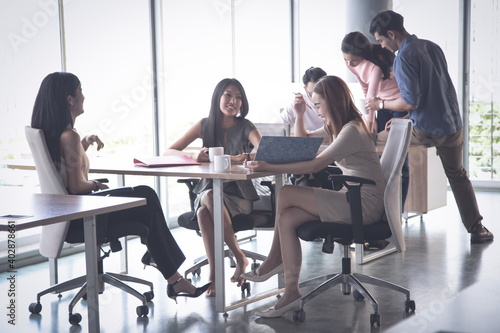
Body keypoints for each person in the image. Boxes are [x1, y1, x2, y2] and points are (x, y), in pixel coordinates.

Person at [31, 72, 210, 302]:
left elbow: (63, 176)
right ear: (69, 99)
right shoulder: (69, 136)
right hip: (81, 216)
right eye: (80, 91)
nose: (84, 96)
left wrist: (82, 146)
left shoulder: (55, 135)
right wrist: (95, 184)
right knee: (147, 195)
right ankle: (165, 267)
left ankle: (171, 274)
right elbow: (76, 187)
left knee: (146, 206)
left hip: (67, 216)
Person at [241, 75, 386, 318]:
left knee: (286, 192)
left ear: (332, 101)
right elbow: (304, 142)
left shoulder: (351, 130)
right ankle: (291, 291)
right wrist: (299, 114)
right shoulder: (339, 126)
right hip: (351, 198)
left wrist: (269, 166)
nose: (316, 111)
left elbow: (314, 166)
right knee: (287, 218)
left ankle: (275, 259)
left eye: (318, 105)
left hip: (362, 205)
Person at [369, 10, 493, 243]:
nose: (383, 46)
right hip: (452, 125)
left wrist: (380, 103)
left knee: (372, 144)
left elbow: (411, 100)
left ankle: (378, 225)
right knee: (458, 175)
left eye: (381, 40)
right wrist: (405, 118)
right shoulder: (432, 46)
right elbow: (432, 91)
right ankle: (477, 229)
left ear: (390, 33)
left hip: (425, 130)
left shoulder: (403, 56)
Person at [164, 78, 261, 297]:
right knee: (206, 201)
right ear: (218, 97)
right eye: (228, 95)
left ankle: (220, 272)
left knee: (203, 212)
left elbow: (265, 150)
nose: (233, 101)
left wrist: (243, 157)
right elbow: (168, 152)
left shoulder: (246, 126)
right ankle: (237, 259)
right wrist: (192, 155)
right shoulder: (204, 125)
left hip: (238, 196)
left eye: (238, 97)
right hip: (208, 191)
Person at [341, 31, 410, 210]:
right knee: (381, 154)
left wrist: (369, 126)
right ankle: (382, 208)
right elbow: (366, 92)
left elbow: (371, 96)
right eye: (346, 60)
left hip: (398, 102)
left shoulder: (375, 65)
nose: (349, 64)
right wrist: (371, 122)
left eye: (353, 60)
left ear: (362, 55)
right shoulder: (351, 64)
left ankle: (398, 211)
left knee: (400, 159)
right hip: (381, 103)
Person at [280, 67, 326, 134]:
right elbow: (277, 129)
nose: (317, 98)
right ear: (305, 89)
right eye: (312, 94)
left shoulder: (334, 102)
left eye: (322, 93)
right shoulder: (298, 102)